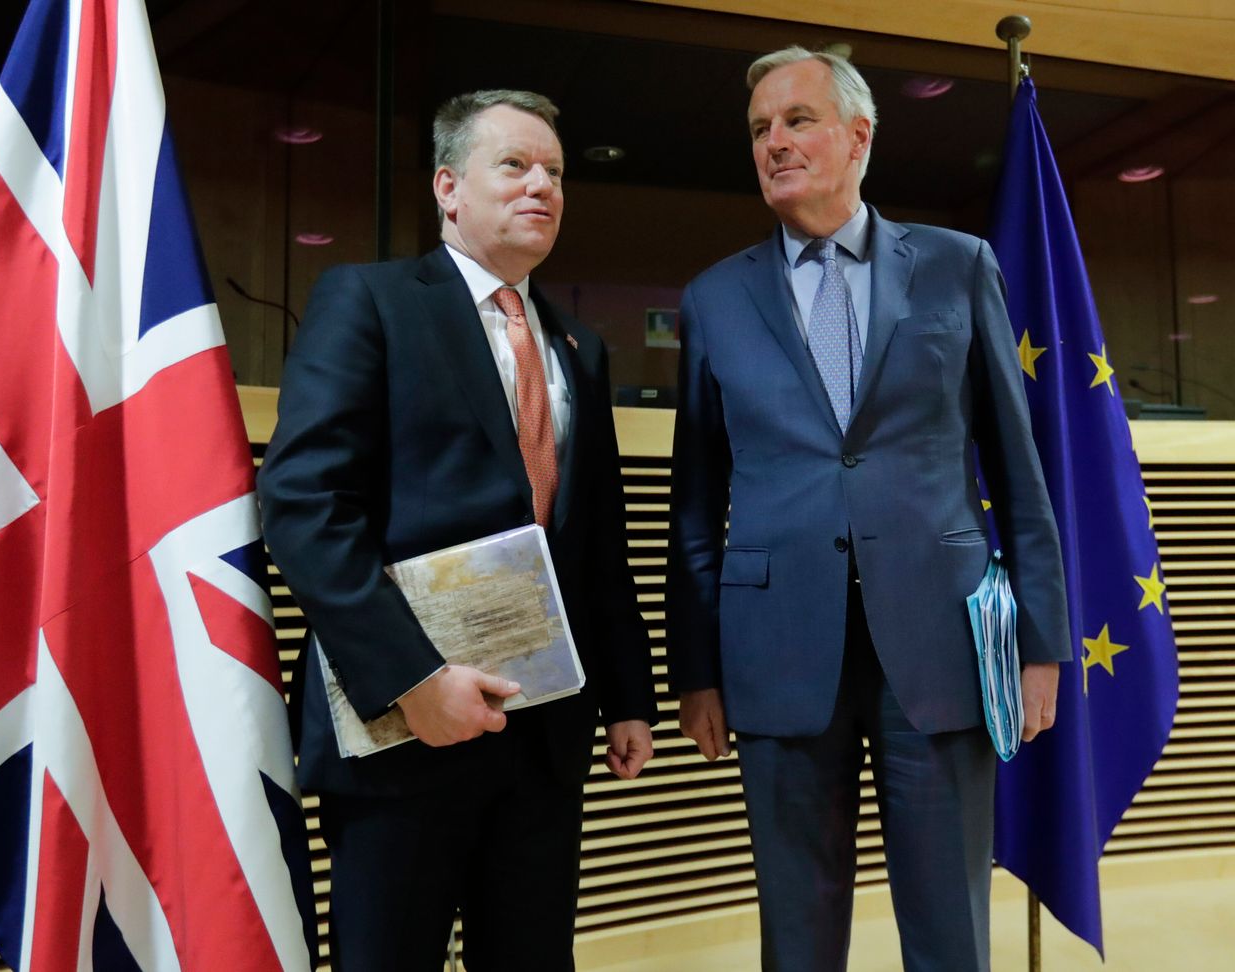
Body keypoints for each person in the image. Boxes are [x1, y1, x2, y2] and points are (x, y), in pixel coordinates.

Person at [666, 47, 1071, 971]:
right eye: (761, 129)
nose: (775, 143)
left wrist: (1042, 640)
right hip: (774, 651)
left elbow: (1020, 469)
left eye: (798, 120)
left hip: (940, 647)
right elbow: (693, 510)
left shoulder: (957, 267)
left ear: (859, 137)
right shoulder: (714, 299)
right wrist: (695, 671)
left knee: (950, 929)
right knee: (798, 939)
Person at [258, 89, 656, 972]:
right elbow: (303, 505)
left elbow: (599, 547)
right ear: (448, 185)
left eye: (554, 172)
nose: (541, 187)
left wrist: (628, 694)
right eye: (513, 165)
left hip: (545, 738)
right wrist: (413, 680)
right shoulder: (371, 301)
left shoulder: (580, 348)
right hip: (406, 734)